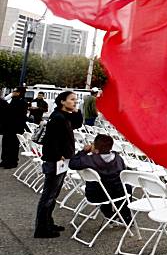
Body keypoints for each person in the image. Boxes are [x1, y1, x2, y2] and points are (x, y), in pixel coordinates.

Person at [34, 91, 83, 238]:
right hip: (56, 161)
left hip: (60, 160)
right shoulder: (57, 118)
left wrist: (77, 111)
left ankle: (48, 222)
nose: (75, 102)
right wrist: (58, 156)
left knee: (53, 194)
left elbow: (77, 124)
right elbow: (51, 140)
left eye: (76, 99)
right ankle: (42, 228)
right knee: (49, 195)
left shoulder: (63, 116)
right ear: (62, 101)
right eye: (72, 99)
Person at [69, 134, 132, 224]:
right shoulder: (118, 159)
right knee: (126, 187)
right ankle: (126, 217)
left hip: (94, 195)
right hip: (115, 194)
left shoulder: (89, 159)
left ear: (95, 147)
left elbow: (72, 163)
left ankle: (109, 214)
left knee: (104, 186)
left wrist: (84, 151)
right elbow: (124, 172)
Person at [0, 87, 29, 169]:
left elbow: (13, 112)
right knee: (5, 144)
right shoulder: (13, 100)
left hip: (16, 127)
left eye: (14, 91)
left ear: (19, 93)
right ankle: (4, 160)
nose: (13, 92)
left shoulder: (22, 102)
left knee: (13, 145)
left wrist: (3, 103)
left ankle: (12, 162)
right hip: (7, 126)